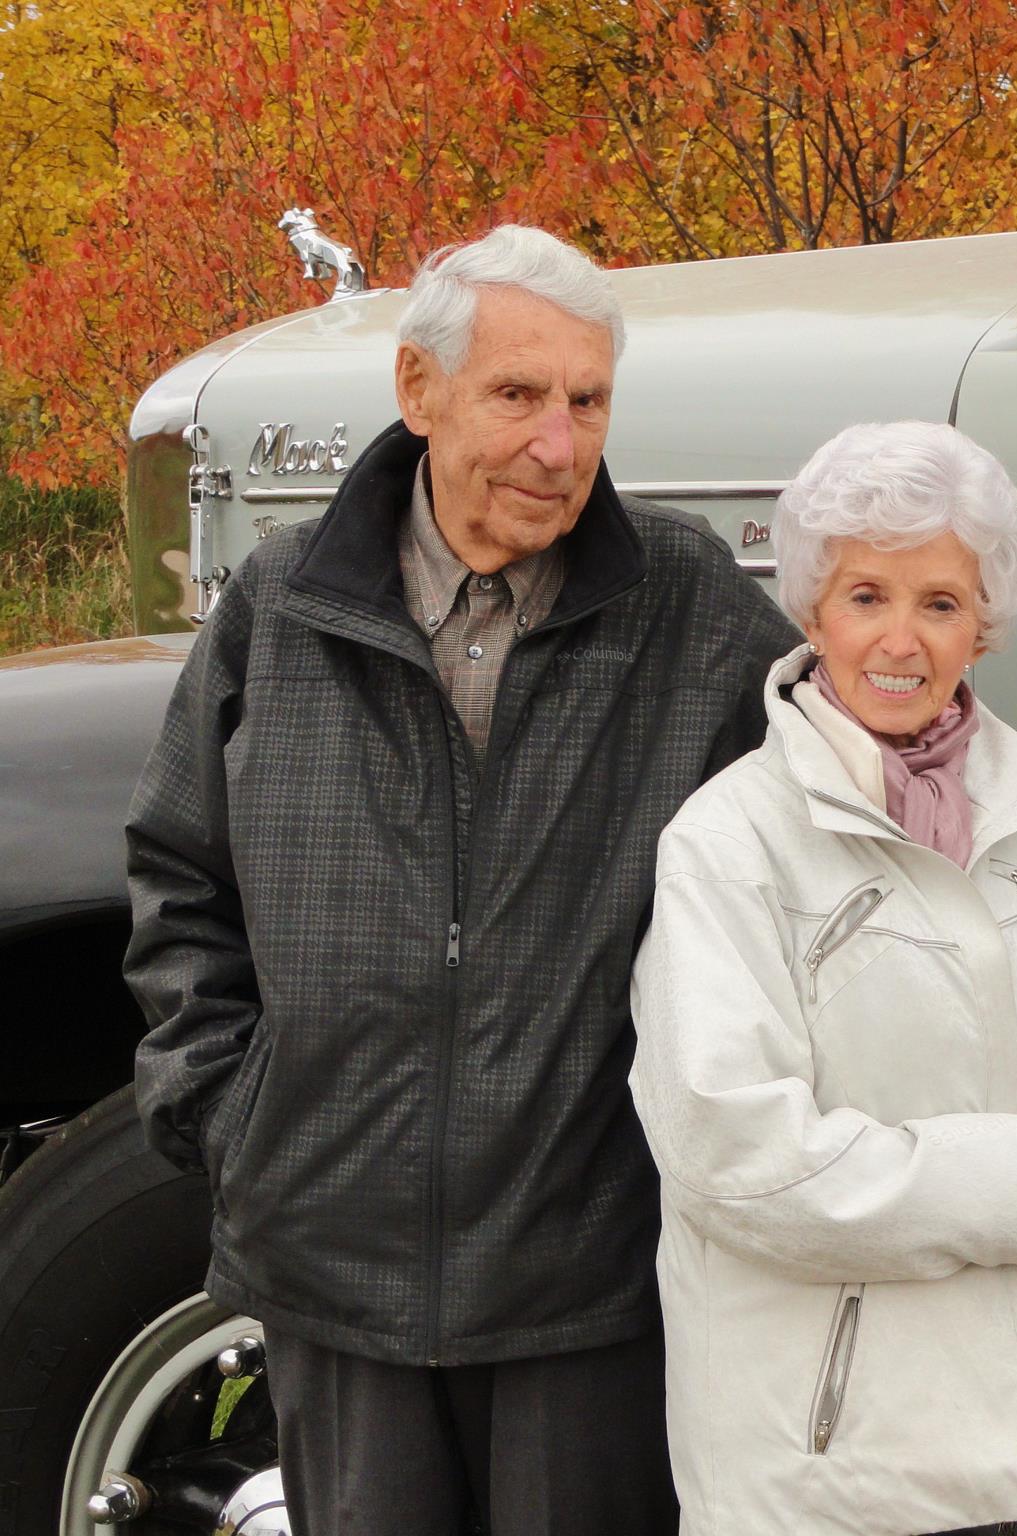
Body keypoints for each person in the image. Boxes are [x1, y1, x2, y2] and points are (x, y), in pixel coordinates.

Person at [125, 225, 798, 1536]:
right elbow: (178, 876)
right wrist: (229, 1123)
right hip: (334, 1267)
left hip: (585, 1277)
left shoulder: (690, 607)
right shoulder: (280, 607)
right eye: (518, 395)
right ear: (417, 390)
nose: (560, 444)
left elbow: (858, 810)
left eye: (588, 401)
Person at [629, 419, 1017, 1535]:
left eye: (940, 604)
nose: (899, 640)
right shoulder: (728, 843)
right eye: (865, 597)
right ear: (811, 609)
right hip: (825, 1468)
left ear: (982, 629)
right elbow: (740, 1158)